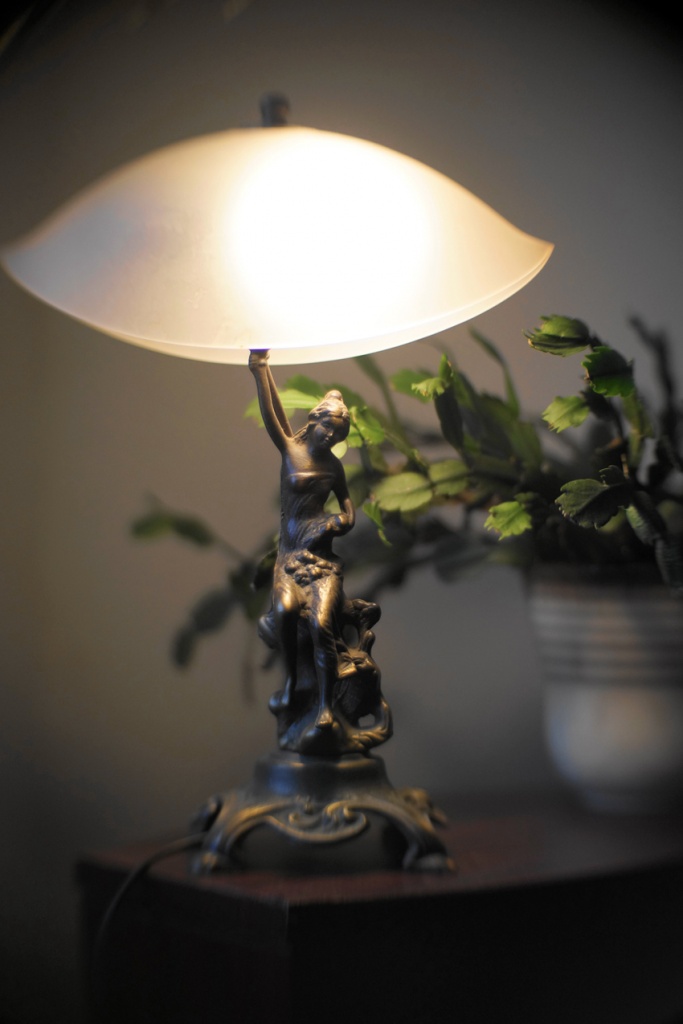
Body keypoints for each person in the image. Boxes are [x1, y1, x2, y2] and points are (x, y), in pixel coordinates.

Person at [248, 349, 355, 732]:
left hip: (320, 557)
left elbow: (349, 511)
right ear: (315, 421)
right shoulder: (291, 451)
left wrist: (337, 523)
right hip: (290, 555)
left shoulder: (334, 466)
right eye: (328, 429)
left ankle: (326, 706)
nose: (331, 437)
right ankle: (292, 682)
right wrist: (260, 369)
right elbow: (273, 415)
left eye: (338, 434)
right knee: (286, 610)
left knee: (321, 625)